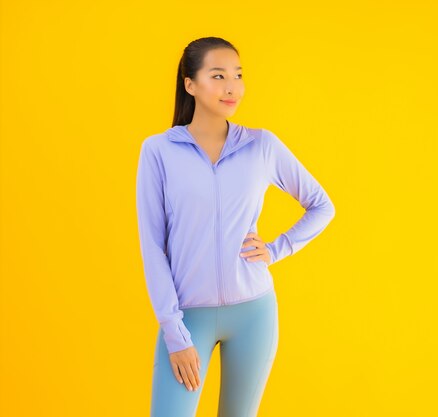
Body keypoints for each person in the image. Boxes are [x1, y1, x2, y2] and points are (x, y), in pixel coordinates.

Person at [136, 36, 336, 417]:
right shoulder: (158, 151)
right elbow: (152, 246)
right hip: (186, 316)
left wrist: (277, 249)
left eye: (238, 75)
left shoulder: (261, 145)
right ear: (190, 84)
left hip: (253, 313)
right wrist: (174, 333)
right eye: (218, 75)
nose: (232, 87)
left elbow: (322, 205)